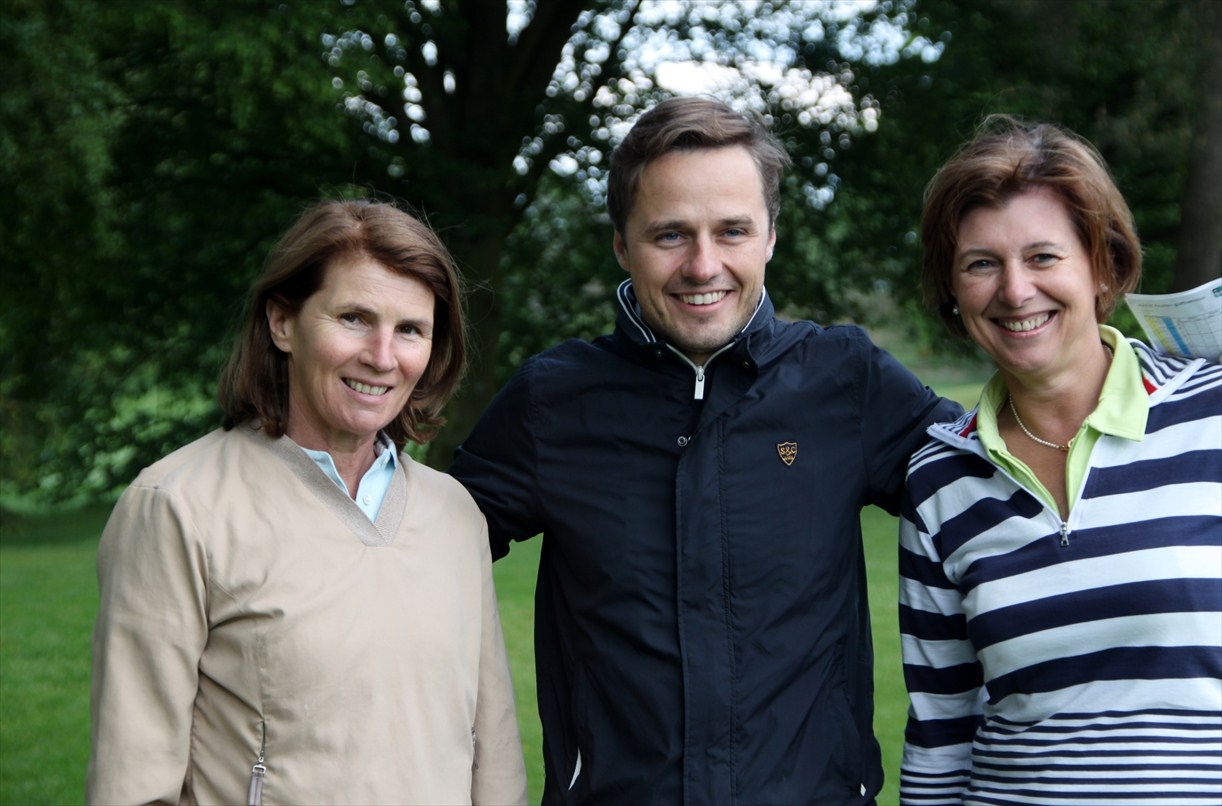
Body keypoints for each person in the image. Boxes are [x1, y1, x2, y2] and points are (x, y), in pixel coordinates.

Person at [449, 96, 962, 804]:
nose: (703, 264)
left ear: (770, 237)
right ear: (622, 246)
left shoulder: (846, 381)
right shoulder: (552, 402)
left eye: (732, 231)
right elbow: (417, 551)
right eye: (670, 235)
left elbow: (997, 481)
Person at [87, 199, 528, 805]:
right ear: (282, 323)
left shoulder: (454, 513)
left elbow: (494, 752)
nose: (382, 356)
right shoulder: (176, 507)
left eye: (410, 329)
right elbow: (133, 783)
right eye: (354, 318)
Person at [898, 116, 1222, 804]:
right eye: (981, 264)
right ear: (953, 290)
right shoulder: (939, 479)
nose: (1015, 291)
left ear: (1103, 266)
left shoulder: (1212, 414)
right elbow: (940, 732)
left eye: (1043, 256)